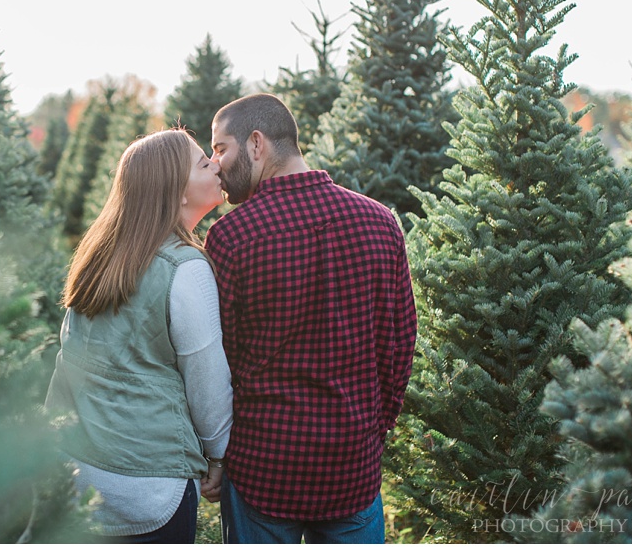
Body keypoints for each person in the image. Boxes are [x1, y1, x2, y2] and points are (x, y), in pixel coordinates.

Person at [203, 93, 418, 544]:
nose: (215, 163)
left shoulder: (231, 237)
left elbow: (224, 361)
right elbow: (398, 346)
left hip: (264, 467)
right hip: (352, 466)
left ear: (257, 144)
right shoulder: (380, 222)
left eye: (221, 148)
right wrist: (375, 430)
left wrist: (218, 456)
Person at [44, 128, 234, 543]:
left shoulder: (98, 254)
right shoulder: (186, 270)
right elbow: (206, 380)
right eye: (204, 162)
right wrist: (218, 457)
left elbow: (69, 355)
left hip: (76, 467)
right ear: (177, 192)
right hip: (149, 484)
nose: (217, 164)